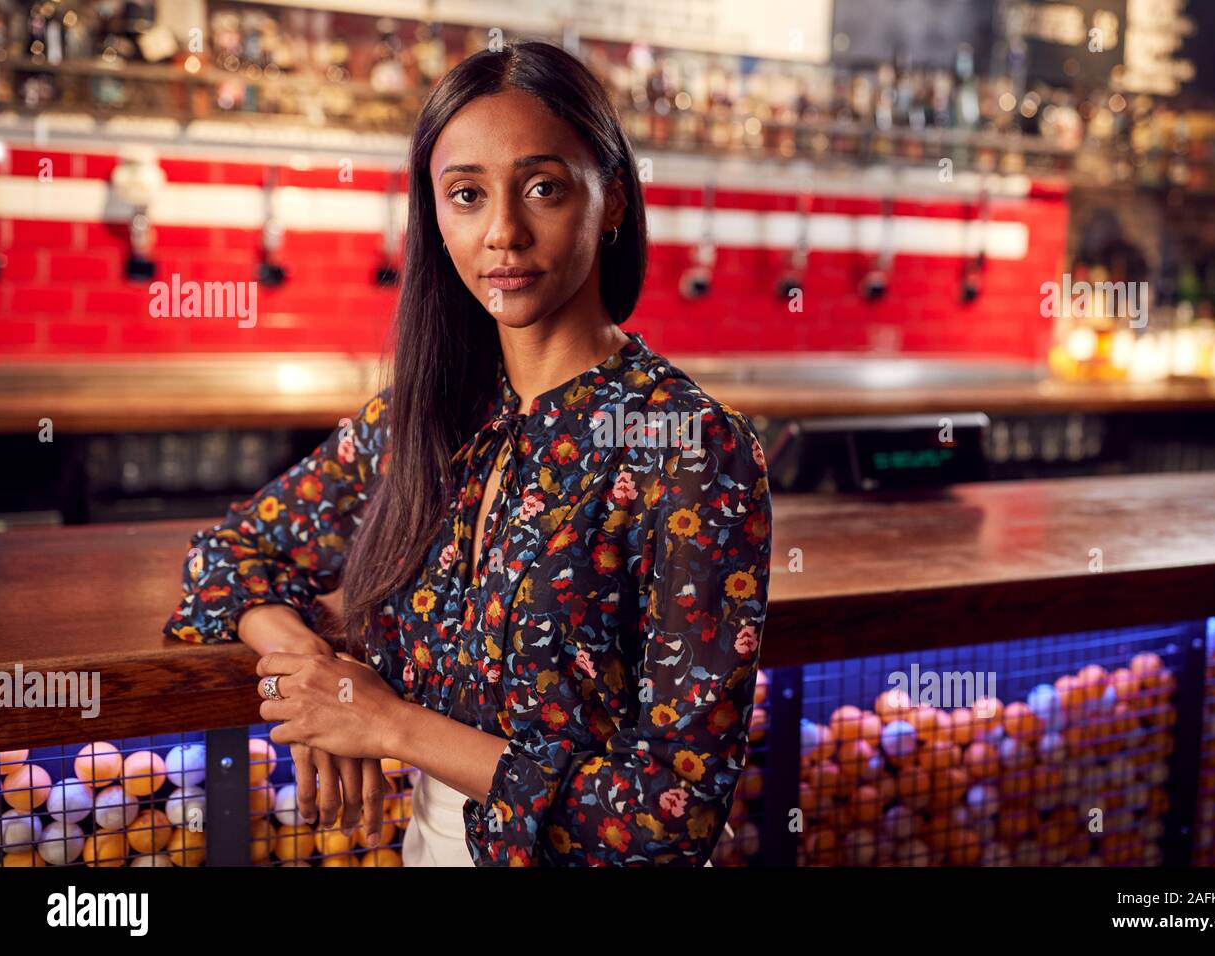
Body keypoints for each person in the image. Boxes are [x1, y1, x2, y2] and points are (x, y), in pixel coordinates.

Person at [164, 40, 773, 867]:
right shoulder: (426, 418)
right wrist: (307, 666)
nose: (503, 233)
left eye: (543, 188)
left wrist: (385, 723)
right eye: (466, 195)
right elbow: (227, 557)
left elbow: (668, 823)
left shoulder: (692, 447)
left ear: (615, 201)